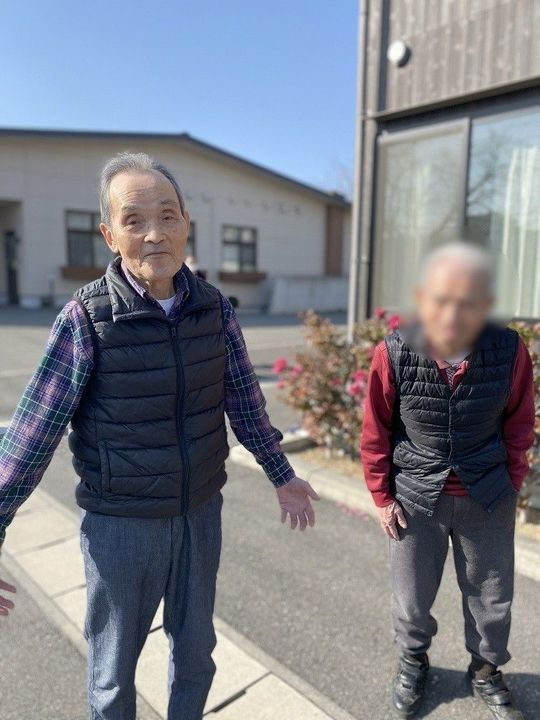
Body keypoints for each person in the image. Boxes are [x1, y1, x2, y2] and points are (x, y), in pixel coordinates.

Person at [0, 152, 319, 720]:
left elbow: (244, 401)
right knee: (112, 672)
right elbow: (31, 433)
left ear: (186, 223)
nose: (155, 233)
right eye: (134, 220)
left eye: (168, 215)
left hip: (200, 513)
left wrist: (282, 473)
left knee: (196, 656)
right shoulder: (86, 319)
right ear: (109, 235)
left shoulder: (214, 309)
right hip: (121, 526)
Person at [360, 243, 535, 720]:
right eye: (442, 299)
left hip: (488, 495)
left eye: (468, 301)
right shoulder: (394, 351)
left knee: (492, 597)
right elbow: (376, 429)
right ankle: (413, 660)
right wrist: (381, 496)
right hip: (416, 497)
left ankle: (485, 670)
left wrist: (511, 480)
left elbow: (520, 423)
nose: (454, 313)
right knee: (412, 597)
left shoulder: (509, 350)